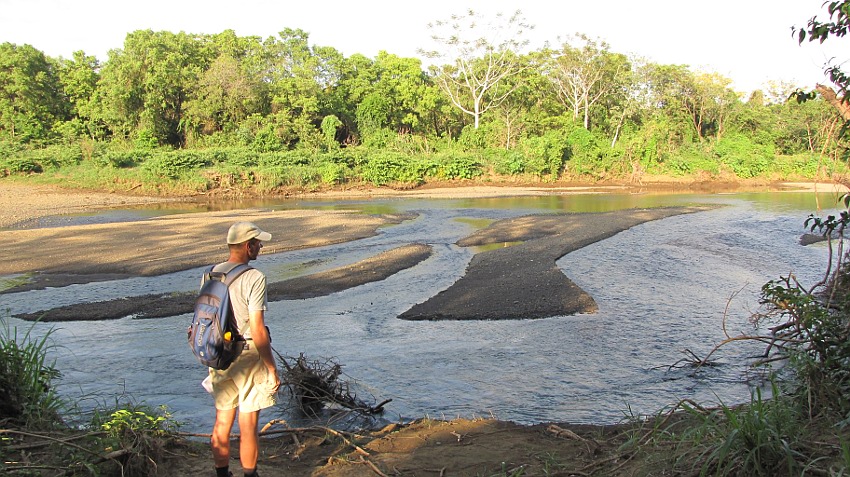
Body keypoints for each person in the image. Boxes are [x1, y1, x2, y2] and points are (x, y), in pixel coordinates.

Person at [206, 221, 280, 477]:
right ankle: (250, 474)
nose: (261, 247)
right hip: (247, 355)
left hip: (218, 354)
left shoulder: (210, 273)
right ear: (248, 246)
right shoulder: (254, 277)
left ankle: (222, 474)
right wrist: (271, 368)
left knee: (222, 421)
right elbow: (258, 330)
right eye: (258, 243)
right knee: (248, 425)